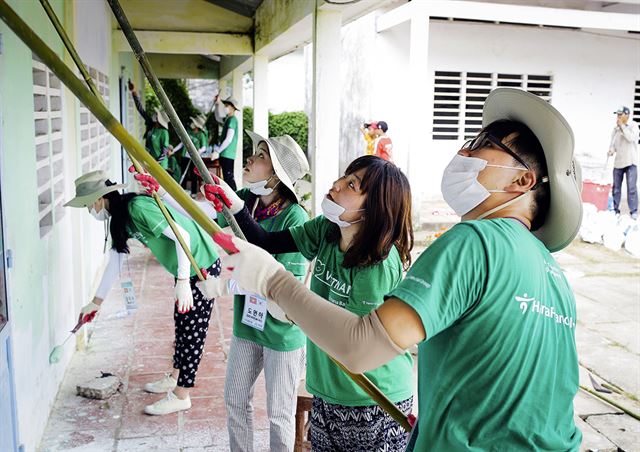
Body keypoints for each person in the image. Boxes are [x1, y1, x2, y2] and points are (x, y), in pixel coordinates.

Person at [218, 88, 584, 451]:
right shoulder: (554, 275)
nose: (463, 151)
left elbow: (360, 346)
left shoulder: (475, 241)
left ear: (523, 181)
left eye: (482, 143)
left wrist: (273, 281)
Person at [204, 155, 415, 451]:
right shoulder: (326, 231)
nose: (337, 184)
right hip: (327, 390)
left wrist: (287, 304)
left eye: (351, 184)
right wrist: (235, 206)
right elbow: (267, 241)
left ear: (374, 207)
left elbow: (353, 342)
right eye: (344, 176)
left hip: (373, 399)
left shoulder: (379, 263)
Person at [64, 170, 226, 416]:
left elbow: (182, 236)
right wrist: (95, 303)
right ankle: (175, 377)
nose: (89, 211)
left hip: (200, 266)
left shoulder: (137, 207)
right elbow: (115, 261)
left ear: (98, 199)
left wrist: (183, 280)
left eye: (87, 206)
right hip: (185, 268)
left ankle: (182, 395)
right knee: (182, 324)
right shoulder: (121, 218)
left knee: (193, 331)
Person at [193, 131, 310, 452]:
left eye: (260, 156)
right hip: (248, 323)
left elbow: (283, 283)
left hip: (282, 329)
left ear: (276, 175)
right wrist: (162, 191)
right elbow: (207, 220)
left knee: (279, 414)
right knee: (234, 400)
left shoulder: (294, 216)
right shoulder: (247, 200)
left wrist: (223, 284)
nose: (250, 158)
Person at [608, 106, 638, 219]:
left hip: (630, 162)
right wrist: (611, 150)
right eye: (617, 115)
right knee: (616, 188)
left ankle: (633, 211)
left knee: (631, 188)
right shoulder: (615, 129)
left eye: (620, 115)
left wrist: (623, 127)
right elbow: (613, 144)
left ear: (627, 115)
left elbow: (631, 138)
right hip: (618, 162)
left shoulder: (633, 126)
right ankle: (615, 210)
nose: (618, 117)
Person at [213, 94, 241, 191]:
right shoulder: (228, 119)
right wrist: (217, 105)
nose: (225, 107)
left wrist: (218, 151)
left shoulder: (232, 120)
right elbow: (217, 118)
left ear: (233, 107)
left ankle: (237, 198)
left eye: (227, 105)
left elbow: (229, 139)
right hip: (224, 153)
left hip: (227, 153)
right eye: (225, 105)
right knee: (226, 178)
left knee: (229, 178)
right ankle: (231, 199)